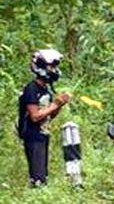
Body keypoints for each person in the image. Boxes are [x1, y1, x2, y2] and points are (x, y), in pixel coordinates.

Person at [17, 49, 71, 187]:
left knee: (43, 175)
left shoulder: (45, 89)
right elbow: (35, 116)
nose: (54, 69)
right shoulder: (31, 89)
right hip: (33, 136)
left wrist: (59, 105)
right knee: (38, 178)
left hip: (43, 135)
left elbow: (50, 114)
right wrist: (55, 104)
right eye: (51, 66)